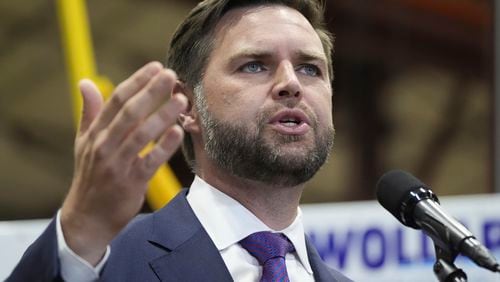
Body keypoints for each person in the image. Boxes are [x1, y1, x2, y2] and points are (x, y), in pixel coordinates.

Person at [8, 0, 351, 281]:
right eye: (254, 65)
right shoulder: (102, 260)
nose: (291, 83)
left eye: (310, 68)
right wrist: (80, 231)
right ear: (187, 105)